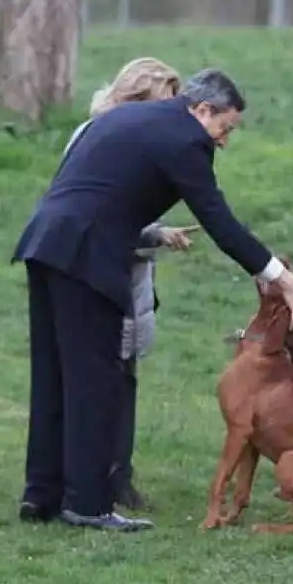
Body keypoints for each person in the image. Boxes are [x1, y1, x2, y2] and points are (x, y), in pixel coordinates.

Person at [12, 68, 293, 532]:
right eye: (224, 128)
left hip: (46, 243)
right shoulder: (184, 139)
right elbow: (218, 219)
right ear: (203, 110)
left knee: (53, 376)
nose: (224, 140)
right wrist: (280, 277)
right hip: (87, 256)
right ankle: (88, 505)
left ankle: (42, 494)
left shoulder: (125, 120)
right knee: (94, 381)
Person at [64, 58, 196, 512]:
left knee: (124, 382)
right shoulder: (92, 137)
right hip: (98, 278)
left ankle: (118, 477)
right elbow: (96, 214)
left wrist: (155, 231)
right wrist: (152, 234)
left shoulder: (142, 141)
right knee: (99, 383)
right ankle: (90, 482)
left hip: (133, 280)